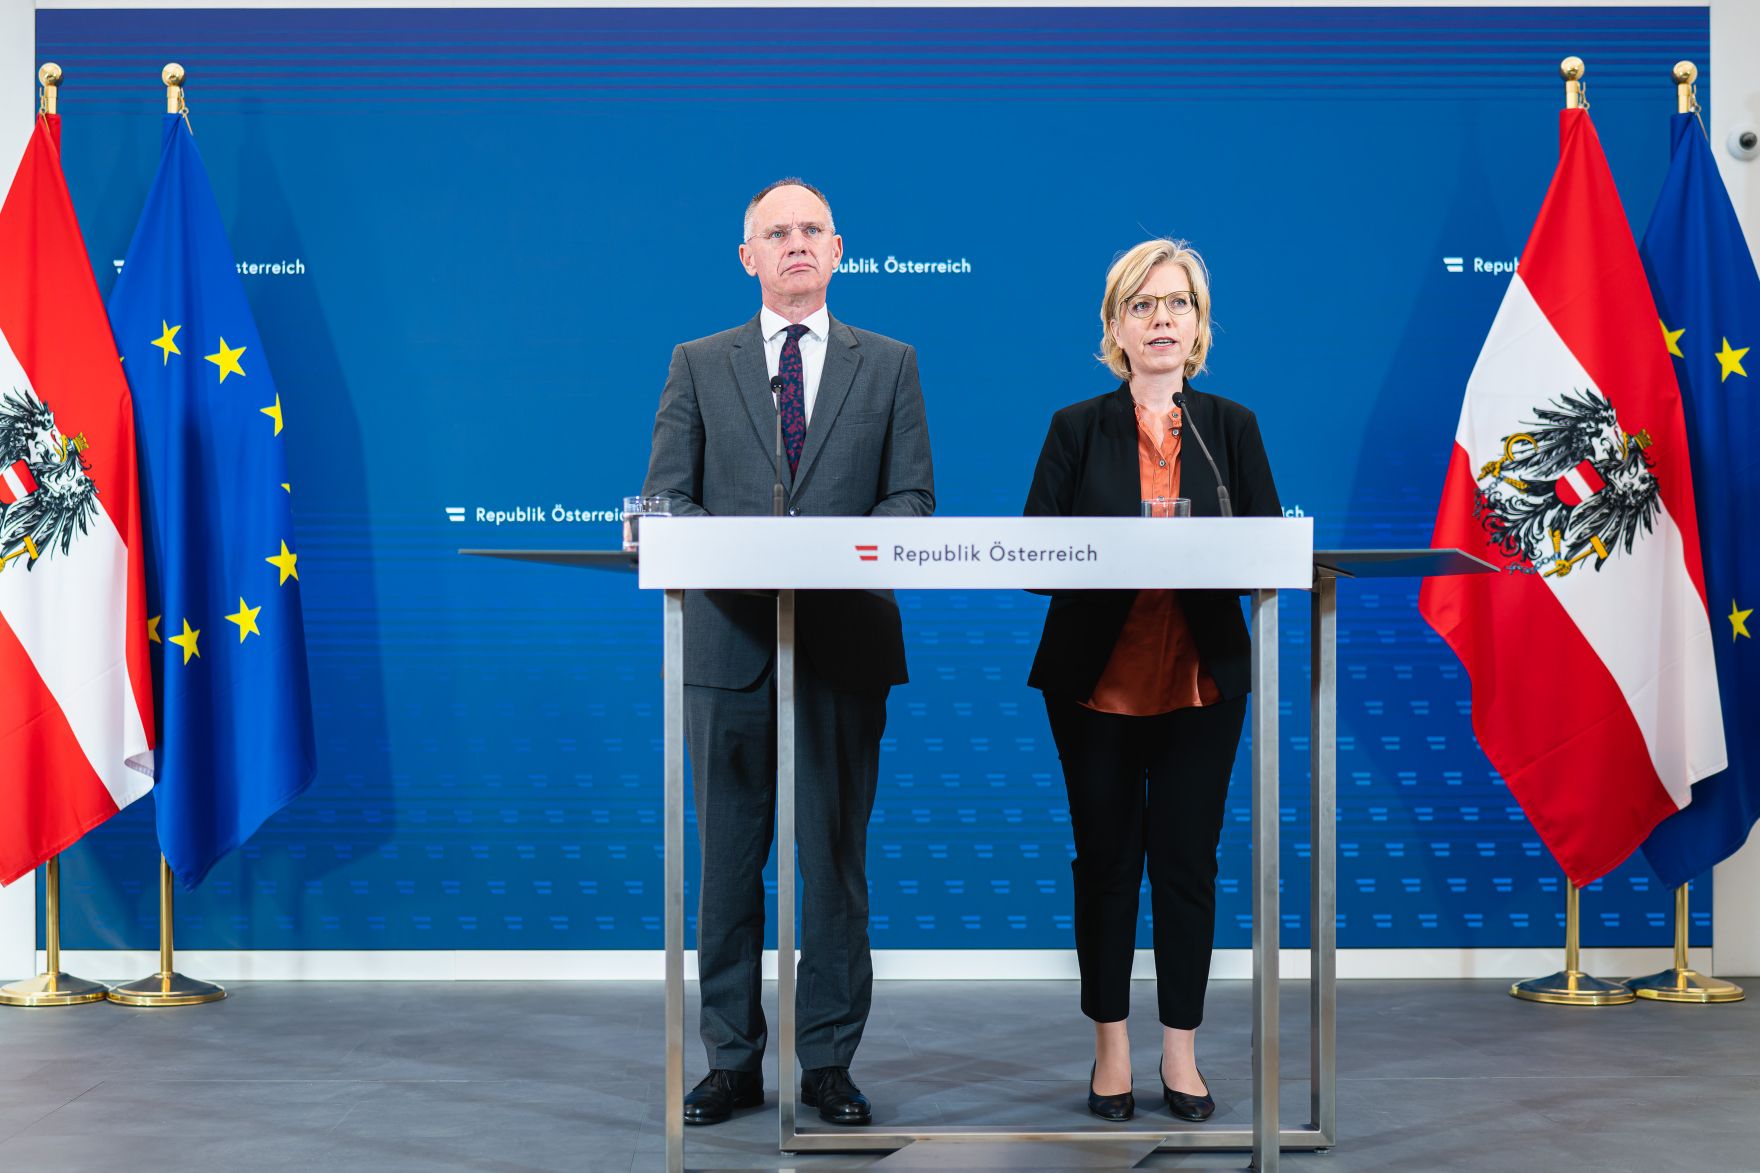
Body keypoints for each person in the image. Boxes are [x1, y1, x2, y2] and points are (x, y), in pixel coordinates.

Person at [643, 178, 934, 1128]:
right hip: (727, 649)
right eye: (778, 232)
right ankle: (731, 1060)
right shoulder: (698, 361)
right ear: (749, 258)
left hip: (843, 648)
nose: (796, 243)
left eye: (812, 230)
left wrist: (826, 553)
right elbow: (665, 501)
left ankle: (828, 1064)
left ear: (839, 249)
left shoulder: (889, 364)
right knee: (727, 867)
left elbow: (910, 504)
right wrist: (735, 551)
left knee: (835, 867)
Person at [1023, 238, 1281, 1122]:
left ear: (1199, 327)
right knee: (1105, 862)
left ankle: (1181, 1053)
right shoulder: (1074, 427)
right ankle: (1110, 1051)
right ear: (1116, 327)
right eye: (1143, 305)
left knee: (1185, 864)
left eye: (1177, 305)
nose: (1161, 319)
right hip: (1095, 680)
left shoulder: (1231, 429)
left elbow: (1268, 550)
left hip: (1203, 679)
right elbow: (1034, 555)